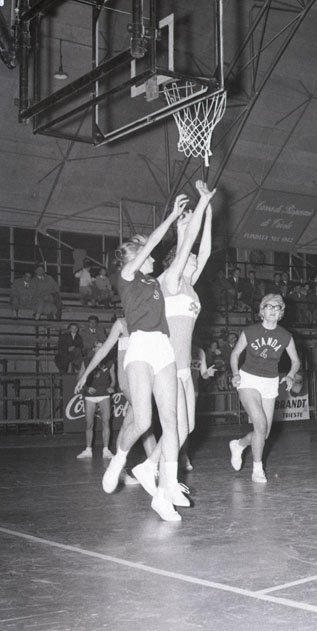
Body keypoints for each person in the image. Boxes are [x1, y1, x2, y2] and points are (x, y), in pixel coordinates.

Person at [105, 192, 189, 521]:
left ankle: (166, 493)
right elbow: (153, 242)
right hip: (139, 346)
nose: (153, 256)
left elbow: (179, 258)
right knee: (142, 421)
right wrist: (171, 217)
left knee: (171, 422)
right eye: (147, 253)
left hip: (163, 347)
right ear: (136, 256)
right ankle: (119, 459)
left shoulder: (155, 281)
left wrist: (184, 228)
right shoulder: (126, 276)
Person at [131, 180, 215, 486]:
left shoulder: (190, 286)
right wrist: (198, 209)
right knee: (176, 425)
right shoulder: (171, 281)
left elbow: (205, 250)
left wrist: (209, 212)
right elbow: (189, 244)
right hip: (168, 363)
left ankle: (149, 466)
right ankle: (158, 474)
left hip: (183, 366)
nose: (194, 258)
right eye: (188, 256)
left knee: (187, 426)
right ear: (177, 261)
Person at [75, 316, 156, 491]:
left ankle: (119, 469)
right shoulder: (123, 324)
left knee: (129, 424)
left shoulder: (148, 322)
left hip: (143, 378)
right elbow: (102, 351)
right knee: (144, 423)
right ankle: (155, 470)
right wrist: (85, 375)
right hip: (129, 380)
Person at [228, 293, 301, 483]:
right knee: (260, 424)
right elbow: (235, 354)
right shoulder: (250, 331)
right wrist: (235, 374)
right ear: (262, 310)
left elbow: (296, 361)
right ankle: (258, 469)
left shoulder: (285, 336)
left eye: (277, 307)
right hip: (248, 379)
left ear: (281, 312)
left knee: (264, 432)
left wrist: (291, 375)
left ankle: (239, 444)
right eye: (269, 306)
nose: (273, 310)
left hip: (270, 382)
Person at [75, 341, 116, 460]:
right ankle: (88, 450)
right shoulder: (86, 361)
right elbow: (79, 378)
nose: (100, 349)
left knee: (106, 422)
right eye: (97, 347)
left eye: (102, 347)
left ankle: (106, 450)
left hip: (104, 395)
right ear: (93, 349)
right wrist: (87, 388)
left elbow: (113, 380)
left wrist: (111, 386)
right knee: (89, 424)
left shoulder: (110, 362)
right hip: (90, 396)